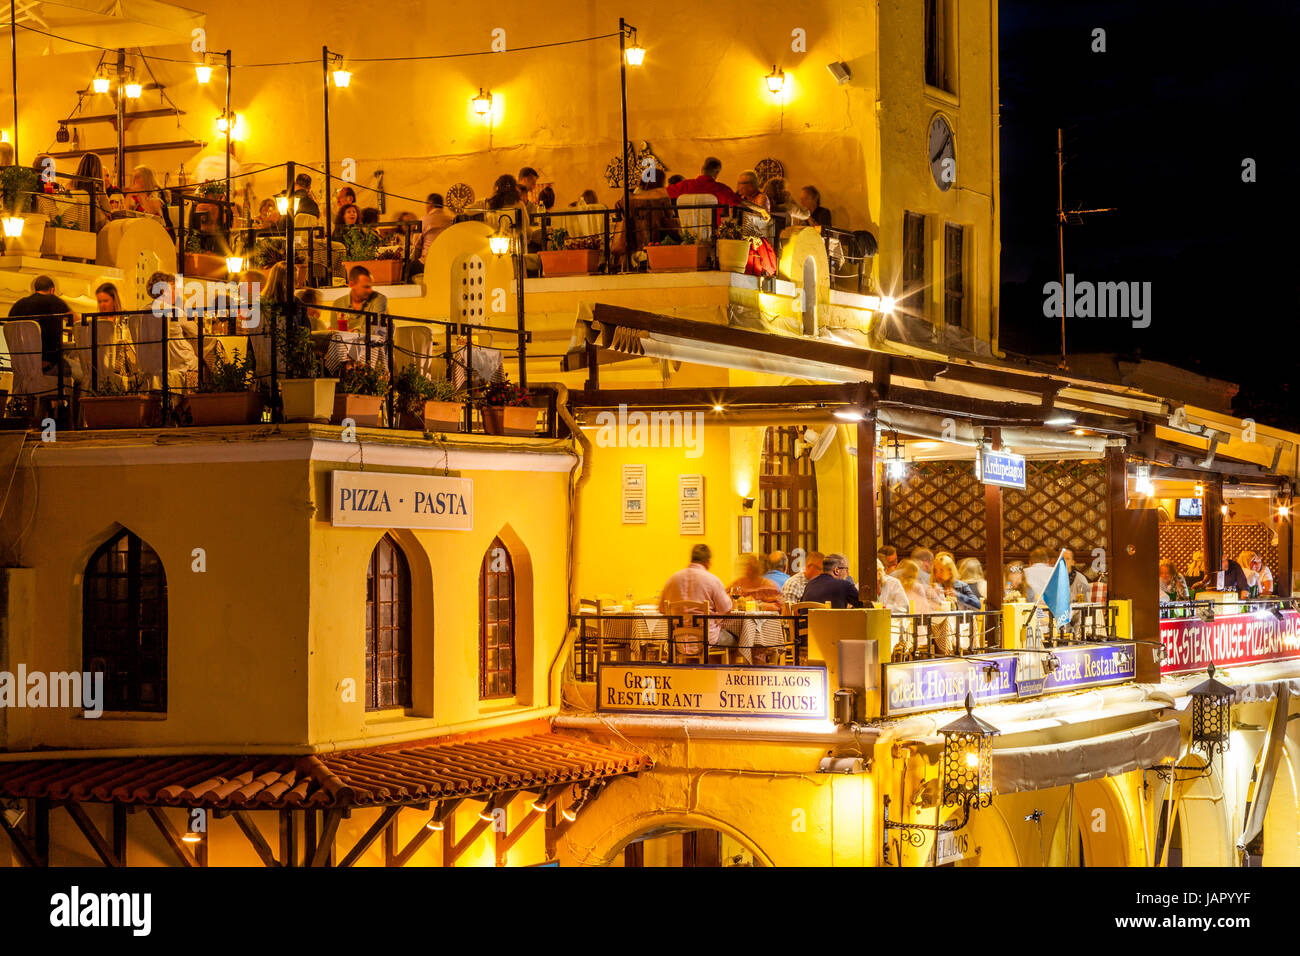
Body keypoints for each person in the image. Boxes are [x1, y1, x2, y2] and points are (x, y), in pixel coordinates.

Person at [659, 544, 739, 653]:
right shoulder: (712, 580)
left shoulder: (672, 579)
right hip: (707, 640)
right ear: (707, 561)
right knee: (736, 641)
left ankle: (694, 667)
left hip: (678, 641)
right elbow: (726, 609)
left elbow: (661, 609)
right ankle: (719, 669)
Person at [666, 157, 770, 220]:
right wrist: (761, 210)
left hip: (687, 233)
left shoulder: (686, 185)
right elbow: (740, 202)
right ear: (716, 173)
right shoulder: (720, 189)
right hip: (713, 235)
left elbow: (662, 192)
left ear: (702, 169)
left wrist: (649, 193)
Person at [7, 275, 74, 371]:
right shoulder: (54, 301)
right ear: (52, 290)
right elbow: (77, 322)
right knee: (83, 372)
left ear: (35, 289)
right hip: (48, 365)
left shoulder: (18, 305)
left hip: (21, 365)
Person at [333, 265, 388, 333]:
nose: (370, 290)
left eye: (371, 286)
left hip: (370, 343)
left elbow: (376, 328)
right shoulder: (338, 303)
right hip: (344, 343)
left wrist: (353, 333)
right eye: (366, 287)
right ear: (352, 284)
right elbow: (334, 333)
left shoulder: (379, 299)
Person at [74, 153, 113, 225]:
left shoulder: (72, 185)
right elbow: (108, 212)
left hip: (77, 225)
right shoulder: (98, 187)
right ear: (98, 170)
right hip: (97, 226)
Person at [735, 168, 771, 237]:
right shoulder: (742, 197)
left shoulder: (761, 198)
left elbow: (761, 220)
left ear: (751, 185)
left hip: (757, 235)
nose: (738, 187)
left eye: (741, 184)